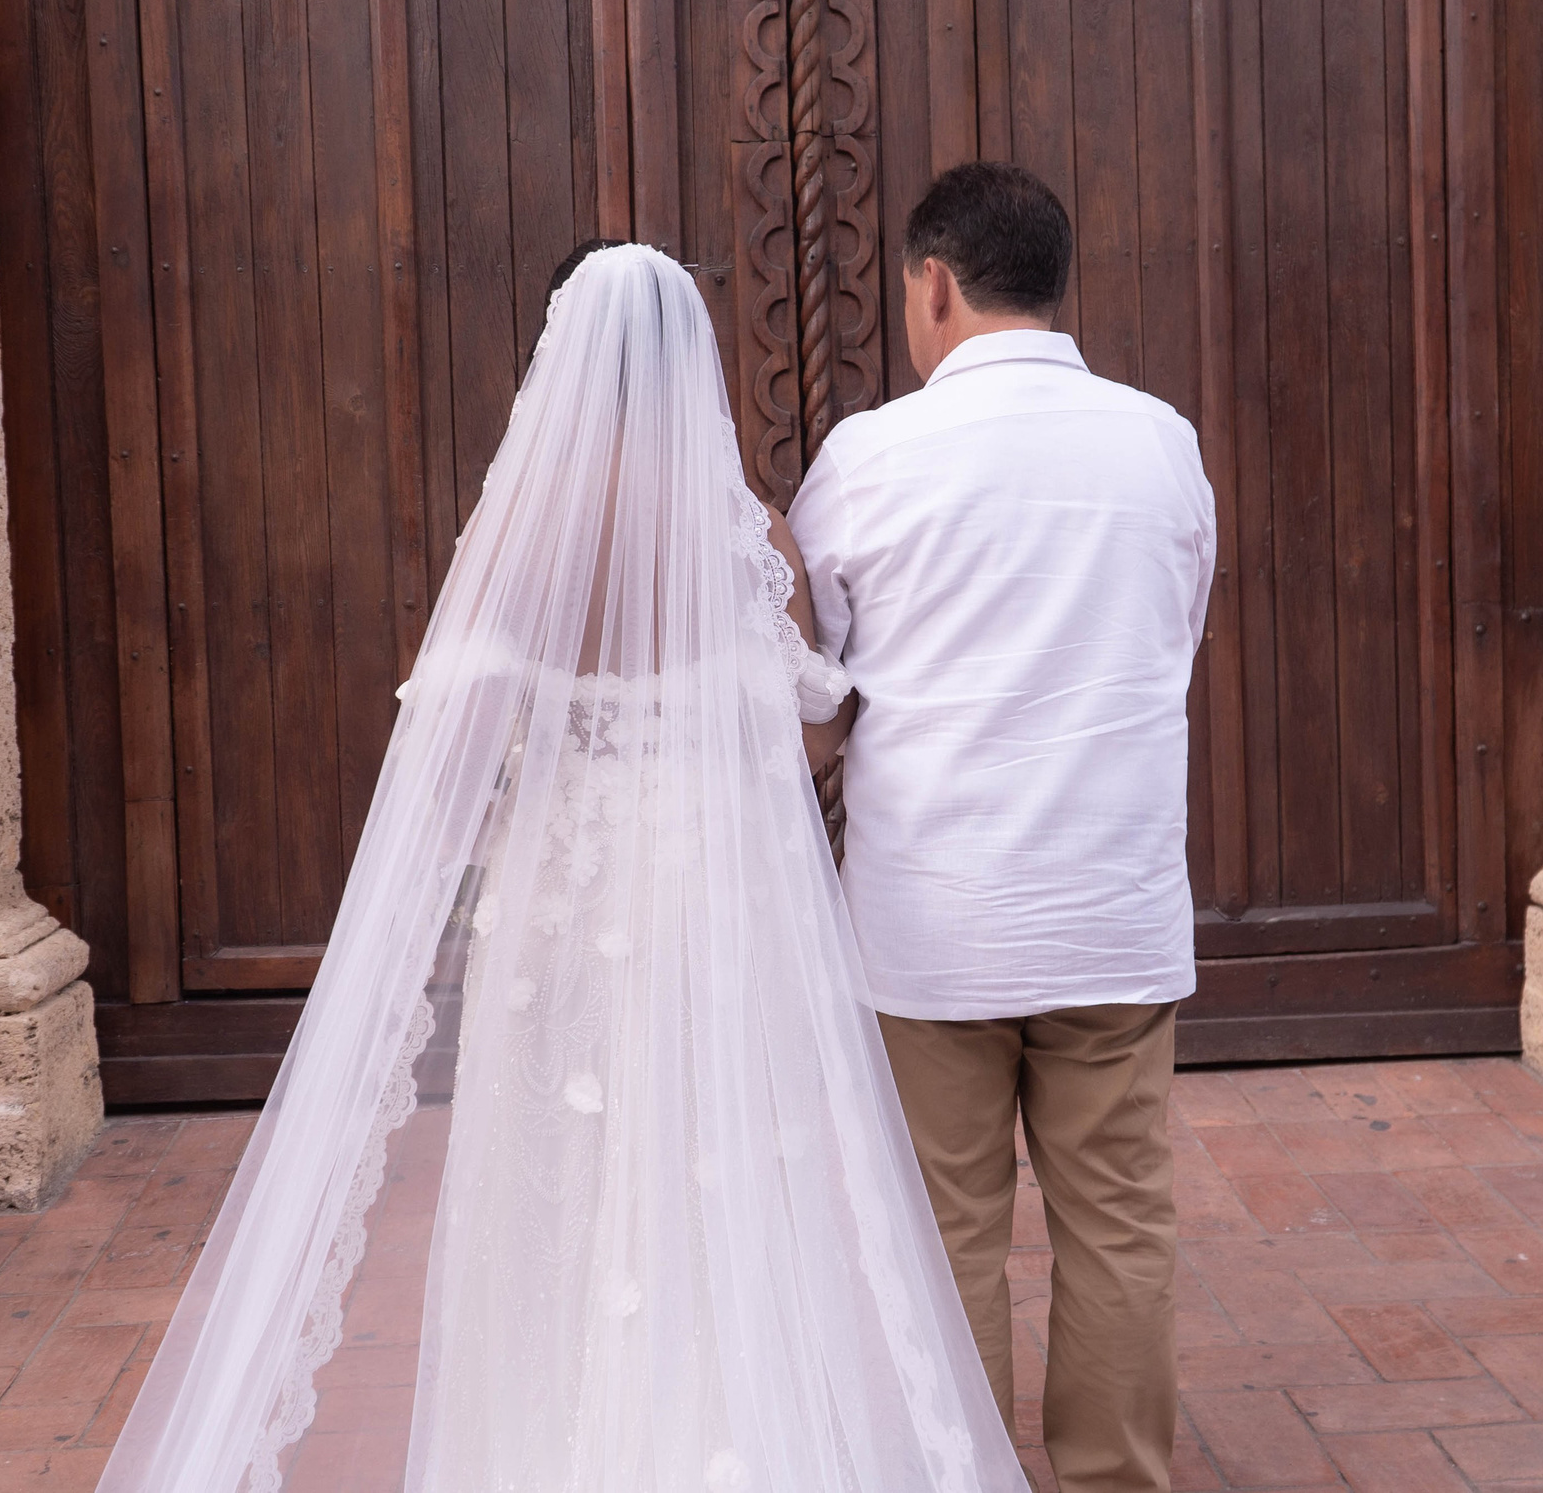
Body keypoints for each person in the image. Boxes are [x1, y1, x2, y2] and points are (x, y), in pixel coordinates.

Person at [98, 244, 1027, 1492]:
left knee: (557, 1189)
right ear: (691, 360)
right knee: (722, 1174)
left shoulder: (523, 528)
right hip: (712, 889)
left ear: (555, 357)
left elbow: (459, 742)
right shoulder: (745, 526)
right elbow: (811, 723)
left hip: (566, 892)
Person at [787, 162, 1219, 1493]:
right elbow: (1172, 636)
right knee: (1120, 1227)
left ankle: (955, 1473)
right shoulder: (1162, 439)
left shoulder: (870, 455)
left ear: (933, 283)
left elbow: (817, 692)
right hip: (1111, 901)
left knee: (944, 1229)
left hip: (934, 918)